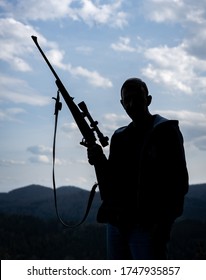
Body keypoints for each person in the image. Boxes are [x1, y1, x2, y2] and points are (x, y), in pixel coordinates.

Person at [87, 77, 189, 260]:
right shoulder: (119, 137)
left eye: (138, 98)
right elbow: (112, 181)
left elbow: (179, 183)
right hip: (118, 223)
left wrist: (163, 224)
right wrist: (99, 160)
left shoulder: (166, 132)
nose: (132, 104)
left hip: (147, 226)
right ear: (122, 103)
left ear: (148, 100)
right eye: (127, 100)